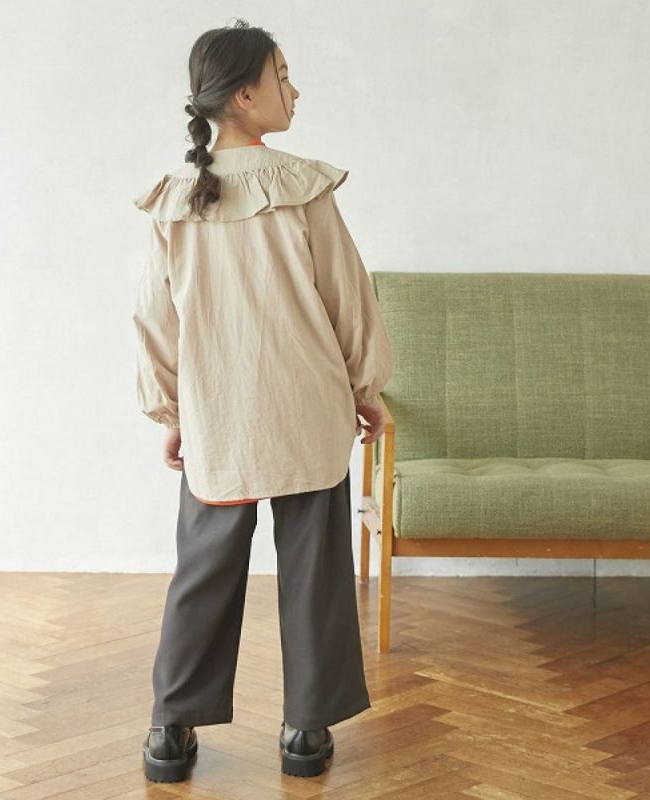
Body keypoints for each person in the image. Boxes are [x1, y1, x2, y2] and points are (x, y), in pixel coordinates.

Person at [132, 19, 393, 782]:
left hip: (218, 412)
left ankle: (170, 730)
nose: (295, 89)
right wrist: (366, 389)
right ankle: (306, 730)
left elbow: (155, 319)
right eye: (283, 76)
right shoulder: (301, 186)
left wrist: (173, 413)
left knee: (202, 572)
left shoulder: (174, 201)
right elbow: (348, 297)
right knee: (316, 572)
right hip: (308, 406)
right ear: (245, 96)